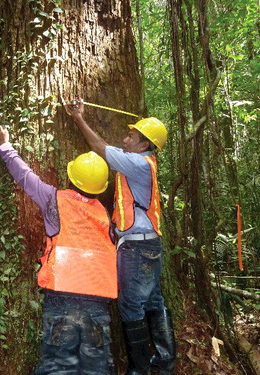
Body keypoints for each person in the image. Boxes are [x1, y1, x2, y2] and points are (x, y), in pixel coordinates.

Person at [0, 125, 117, 375]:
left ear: (70, 178)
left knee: (59, 364)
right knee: (96, 365)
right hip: (97, 297)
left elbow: (25, 176)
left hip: (62, 295)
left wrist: (5, 146)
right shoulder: (104, 213)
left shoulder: (54, 199)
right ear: (100, 187)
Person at [65, 99, 176, 375]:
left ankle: (139, 369)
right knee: (153, 301)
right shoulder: (143, 163)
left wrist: (78, 118)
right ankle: (164, 364)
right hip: (148, 243)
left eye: (131, 136)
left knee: (130, 305)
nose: (125, 139)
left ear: (144, 145)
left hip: (138, 249)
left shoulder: (137, 164)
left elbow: (100, 148)